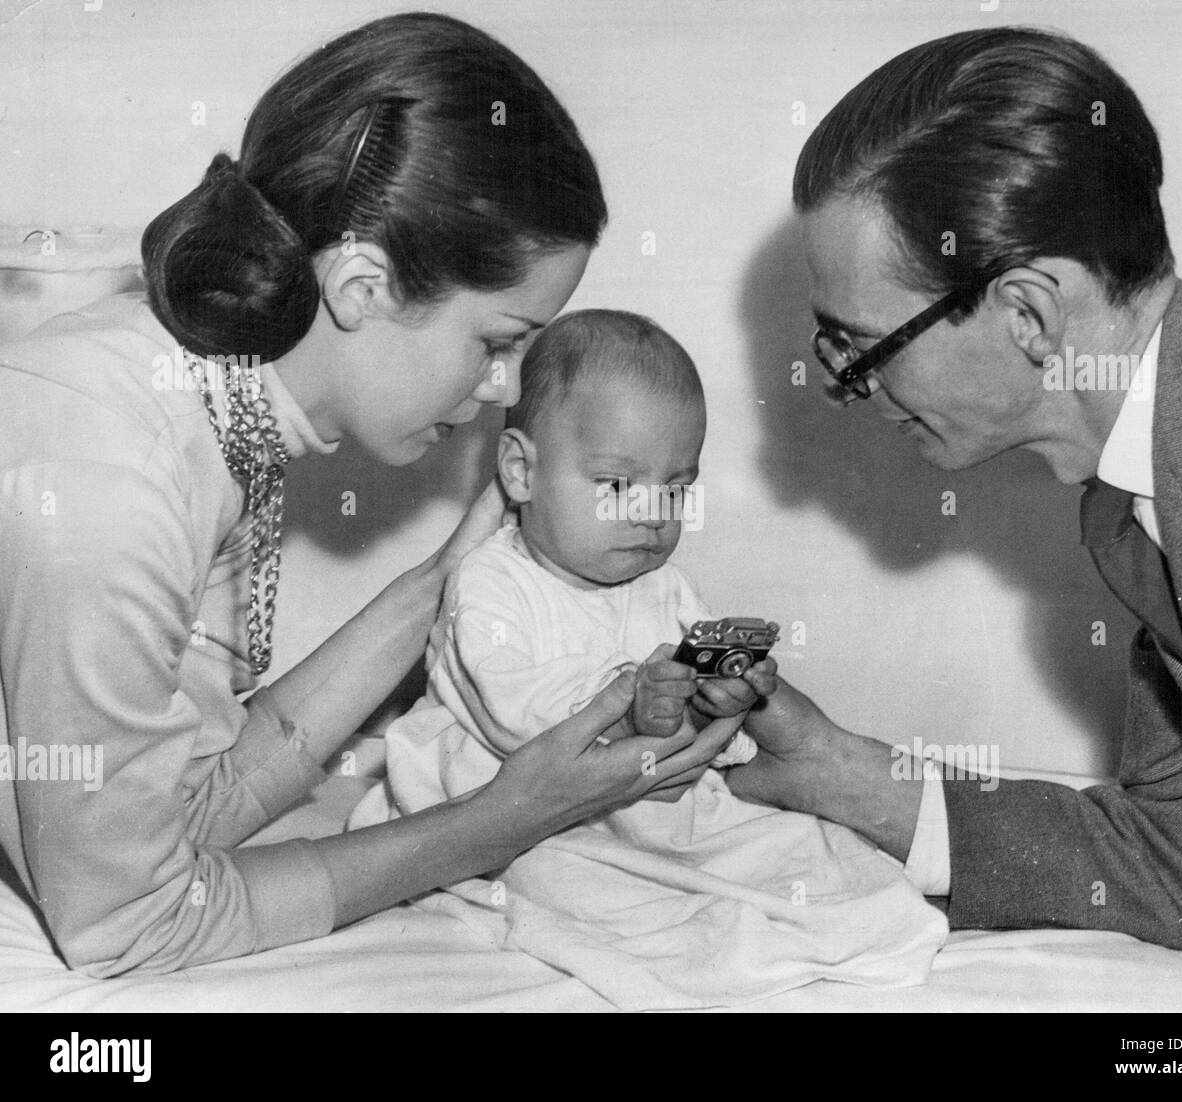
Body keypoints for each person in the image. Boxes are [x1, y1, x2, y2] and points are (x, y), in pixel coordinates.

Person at [0, 12, 742, 979]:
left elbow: (191, 803)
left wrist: (448, 577)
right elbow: (131, 925)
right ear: (361, 283)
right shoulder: (117, 484)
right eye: (497, 341)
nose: (504, 390)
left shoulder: (205, 395)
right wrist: (490, 825)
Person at [727, 25, 1182, 950]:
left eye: (859, 349)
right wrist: (841, 771)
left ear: (1029, 312)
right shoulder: (1134, 506)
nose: (852, 392)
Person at [347, 308, 947, 1008]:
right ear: (521, 471)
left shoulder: (662, 586)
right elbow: (516, 707)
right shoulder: (491, 581)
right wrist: (632, 702)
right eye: (616, 485)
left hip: (646, 793)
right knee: (574, 881)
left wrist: (721, 696)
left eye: (676, 487)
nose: (652, 513)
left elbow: (695, 712)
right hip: (515, 797)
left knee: (800, 853)